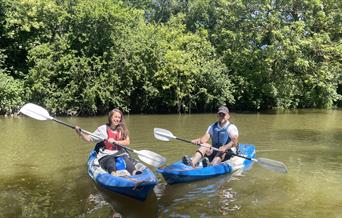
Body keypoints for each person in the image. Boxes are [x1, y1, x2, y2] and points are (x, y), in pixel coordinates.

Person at [75, 108, 138, 176]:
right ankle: (113, 174)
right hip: (106, 154)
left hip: (120, 153)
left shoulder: (123, 129)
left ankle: (135, 173)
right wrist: (80, 133)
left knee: (127, 161)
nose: (117, 119)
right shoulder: (102, 129)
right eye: (115, 117)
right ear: (111, 117)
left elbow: (127, 142)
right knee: (110, 161)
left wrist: (116, 141)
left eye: (119, 117)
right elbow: (89, 139)